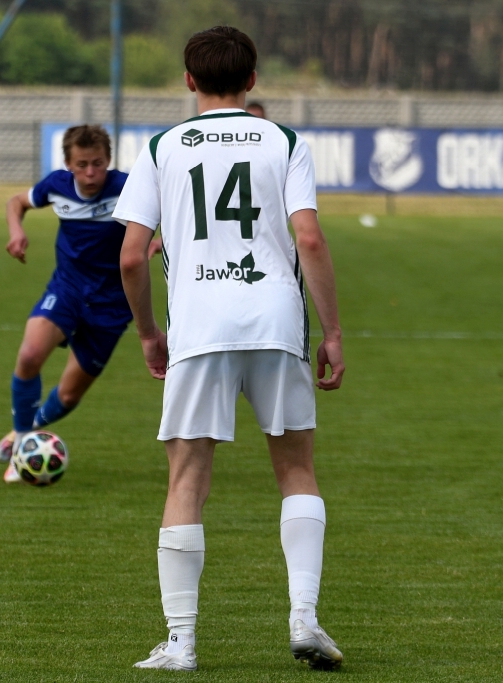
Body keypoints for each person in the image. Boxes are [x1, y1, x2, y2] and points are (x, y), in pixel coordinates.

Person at [115, 26, 345, 672]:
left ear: (189, 80)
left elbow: (131, 256)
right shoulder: (284, 141)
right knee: (296, 470)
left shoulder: (162, 147)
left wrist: (148, 333)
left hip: (198, 327)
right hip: (276, 321)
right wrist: (331, 331)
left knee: (187, 478)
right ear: (252, 80)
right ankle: (304, 616)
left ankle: (181, 642)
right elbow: (309, 239)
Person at [0, 125, 131, 481]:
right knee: (29, 355)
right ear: (68, 164)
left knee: (68, 396)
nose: (91, 173)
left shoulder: (129, 187)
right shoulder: (56, 185)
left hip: (113, 303)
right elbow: (16, 202)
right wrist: (16, 231)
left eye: (98, 163)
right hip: (68, 289)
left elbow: (175, 212)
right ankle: (22, 444)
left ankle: (27, 431)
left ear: (109, 160)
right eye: (82, 165)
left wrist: (161, 240)